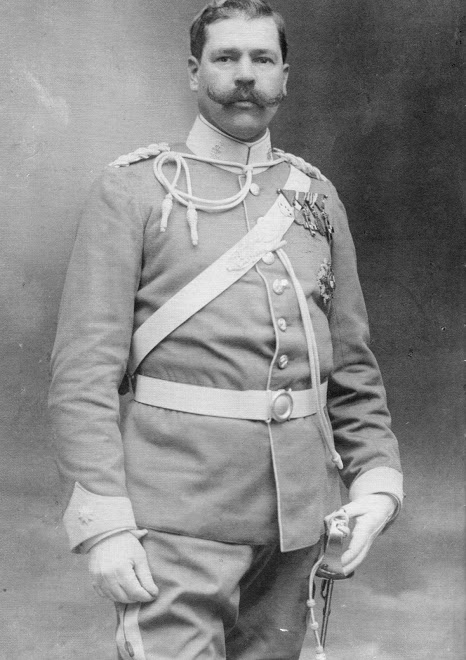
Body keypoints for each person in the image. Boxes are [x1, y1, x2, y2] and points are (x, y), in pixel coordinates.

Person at [49, 1, 403, 658]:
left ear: (285, 76)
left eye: (262, 58)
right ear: (194, 71)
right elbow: (83, 374)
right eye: (226, 57)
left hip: (296, 527)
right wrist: (104, 524)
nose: (245, 75)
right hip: (174, 520)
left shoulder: (315, 198)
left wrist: (377, 481)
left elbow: (351, 366)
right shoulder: (134, 192)